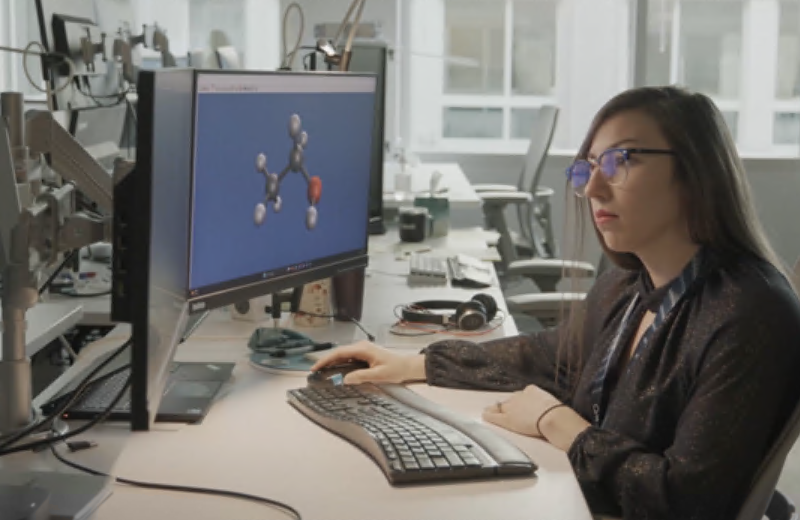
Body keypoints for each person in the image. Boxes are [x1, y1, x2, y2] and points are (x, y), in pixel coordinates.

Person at [312, 86, 800, 520]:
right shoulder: (625, 288)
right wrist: (412, 363)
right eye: (588, 167)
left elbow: (686, 500)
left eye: (620, 161)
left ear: (694, 171)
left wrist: (558, 425)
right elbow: (546, 357)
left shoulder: (748, 313)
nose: (592, 188)